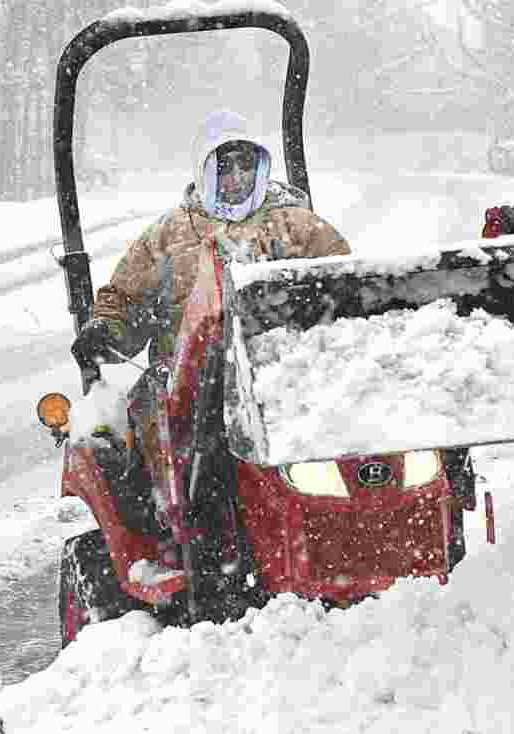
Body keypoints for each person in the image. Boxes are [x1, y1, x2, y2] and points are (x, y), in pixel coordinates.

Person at [71, 109, 351, 537]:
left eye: (246, 165)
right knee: (163, 429)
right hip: (185, 377)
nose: (236, 176)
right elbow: (125, 300)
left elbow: (343, 286)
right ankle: (173, 525)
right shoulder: (169, 235)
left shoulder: (296, 226)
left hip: (278, 366)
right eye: (224, 166)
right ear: (204, 172)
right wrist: (109, 329)